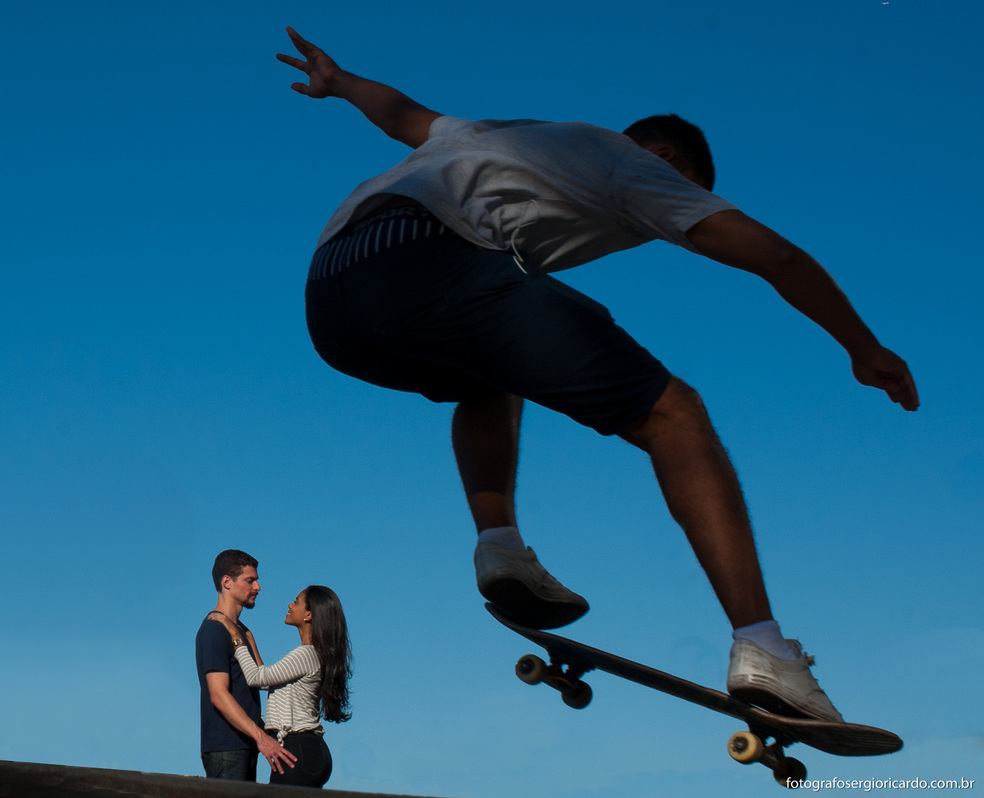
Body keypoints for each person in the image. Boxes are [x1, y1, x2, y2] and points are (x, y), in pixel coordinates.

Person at [278, 27, 920, 723]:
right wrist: (862, 346)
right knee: (675, 415)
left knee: (487, 375)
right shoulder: (632, 163)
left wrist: (337, 82)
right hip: (436, 260)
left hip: (332, 295)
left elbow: (400, 112)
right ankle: (766, 648)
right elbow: (777, 258)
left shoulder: (493, 136)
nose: (660, 223)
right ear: (669, 159)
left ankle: (500, 549)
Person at [211, 585, 353, 788]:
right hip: (304, 751)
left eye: (296, 601)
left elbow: (255, 678)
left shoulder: (306, 654)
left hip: (298, 749)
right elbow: (266, 678)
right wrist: (249, 639)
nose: (289, 605)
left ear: (309, 615)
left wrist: (236, 636)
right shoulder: (313, 654)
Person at [195, 549, 297, 780]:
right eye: (250, 581)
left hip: (245, 744)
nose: (257, 587)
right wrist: (262, 738)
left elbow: (260, 679)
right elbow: (218, 695)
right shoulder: (214, 629)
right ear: (227, 582)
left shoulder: (240, 631)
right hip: (226, 747)